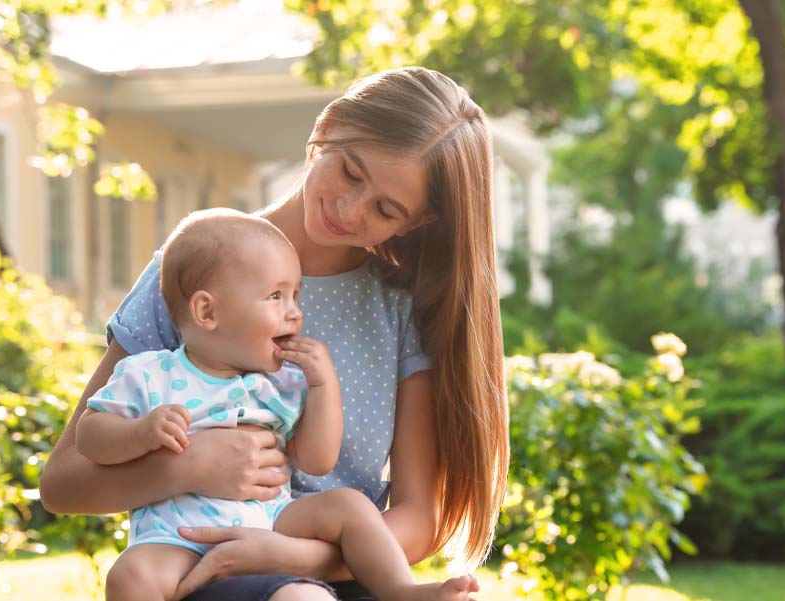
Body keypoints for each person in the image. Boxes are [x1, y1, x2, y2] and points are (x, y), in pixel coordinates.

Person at [39, 66, 509, 601]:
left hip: (349, 579)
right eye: (350, 172)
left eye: (385, 209)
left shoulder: (397, 307)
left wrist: (295, 556)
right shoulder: (195, 266)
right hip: (198, 572)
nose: (348, 209)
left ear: (418, 222)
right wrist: (186, 467)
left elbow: (420, 518)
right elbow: (64, 482)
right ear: (328, 127)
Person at [77, 209, 480, 601]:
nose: (295, 312)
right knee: (130, 576)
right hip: (179, 535)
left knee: (351, 506)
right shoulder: (150, 374)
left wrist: (324, 385)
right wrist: (140, 433)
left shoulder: (278, 384)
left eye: (295, 295)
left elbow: (316, 460)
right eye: (275, 296)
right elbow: (89, 436)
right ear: (207, 310)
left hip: (271, 522)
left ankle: (401, 591)